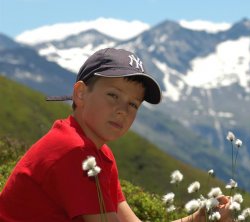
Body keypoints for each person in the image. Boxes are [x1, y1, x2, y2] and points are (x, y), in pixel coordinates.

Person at [0, 48, 231, 222]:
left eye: (133, 104)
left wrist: (197, 219)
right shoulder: (74, 151)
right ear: (80, 94)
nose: (122, 110)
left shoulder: (99, 154)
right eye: (113, 95)